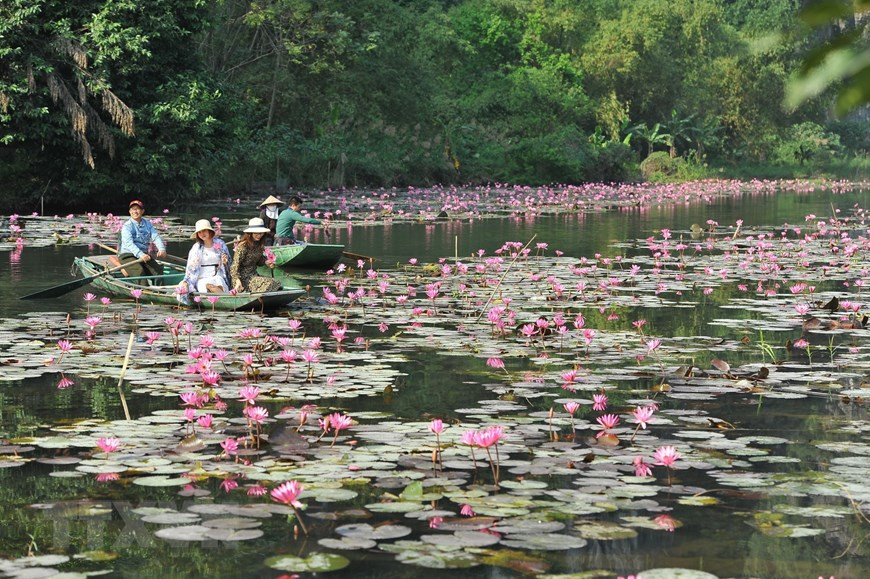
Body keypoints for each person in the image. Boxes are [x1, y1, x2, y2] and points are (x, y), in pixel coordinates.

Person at [177, 219, 232, 303]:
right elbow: (191, 269)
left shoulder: (220, 243)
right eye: (199, 232)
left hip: (217, 274)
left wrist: (225, 262)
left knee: (219, 282)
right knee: (209, 286)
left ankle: (225, 299)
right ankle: (225, 299)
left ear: (209, 231)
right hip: (201, 277)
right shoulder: (196, 248)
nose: (202, 234)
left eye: (204, 231)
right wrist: (186, 282)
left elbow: (229, 263)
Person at [119, 199, 167, 284]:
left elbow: (155, 237)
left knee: (158, 270)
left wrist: (162, 249)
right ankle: (144, 293)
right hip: (128, 255)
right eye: (133, 209)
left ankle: (159, 291)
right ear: (130, 211)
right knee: (140, 272)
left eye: (137, 209)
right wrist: (141, 255)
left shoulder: (147, 224)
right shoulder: (127, 226)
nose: (135, 211)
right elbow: (129, 244)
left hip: (144, 255)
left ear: (142, 211)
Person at [230, 218, 283, 293]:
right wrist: (237, 281)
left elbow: (259, 261)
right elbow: (234, 267)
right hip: (243, 279)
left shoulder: (259, 245)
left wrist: (266, 262)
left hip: (254, 275)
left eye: (261, 233)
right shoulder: (243, 246)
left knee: (277, 283)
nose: (259, 236)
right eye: (256, 233)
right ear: (250, 233)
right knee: (271, 284)